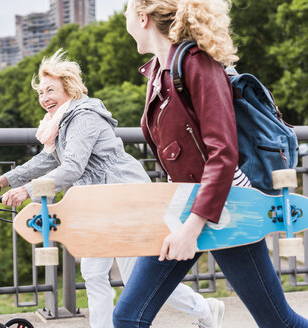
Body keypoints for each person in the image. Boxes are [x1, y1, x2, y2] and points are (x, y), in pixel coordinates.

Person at [0, 49, 220, 328]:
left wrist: (27, 191)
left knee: (136, 281)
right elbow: (46, 160)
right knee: (94, 273)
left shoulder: (83, 117)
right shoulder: (58, 124)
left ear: (69, 88)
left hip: (125, 200)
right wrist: (7, 179)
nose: (44, 98)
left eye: (50, 90)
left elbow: (72, 168)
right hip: (96, 205)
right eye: (40, 92)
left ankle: (205, 308)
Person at [113, 0, 308, 327]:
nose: (125, 19)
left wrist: (192, 228)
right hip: (188, 208)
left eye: (127, 12)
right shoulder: (158, 71)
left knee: (278, 322)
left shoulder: (197, 64)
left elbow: (223, 152)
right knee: (128, 317)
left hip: (227, 208)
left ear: (143, 17)